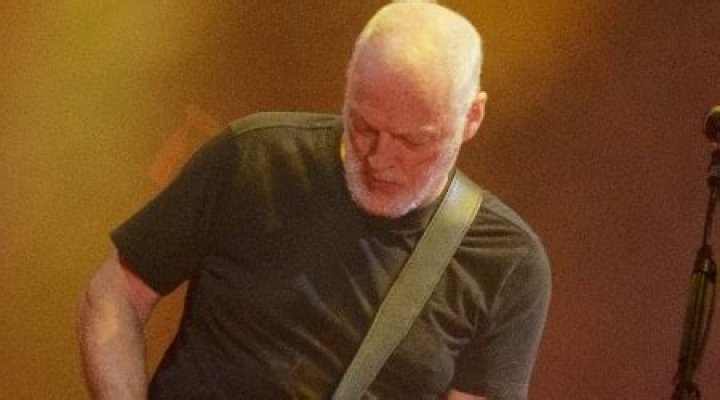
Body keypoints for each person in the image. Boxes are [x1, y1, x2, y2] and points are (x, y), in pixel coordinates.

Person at [77, 2, 551, 399]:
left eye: (413, 140)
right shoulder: (254, 157)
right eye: (363, 126)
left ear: (472, 117)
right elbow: (115, 294)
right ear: (348, 83)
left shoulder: (507, 262)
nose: (379, 158)